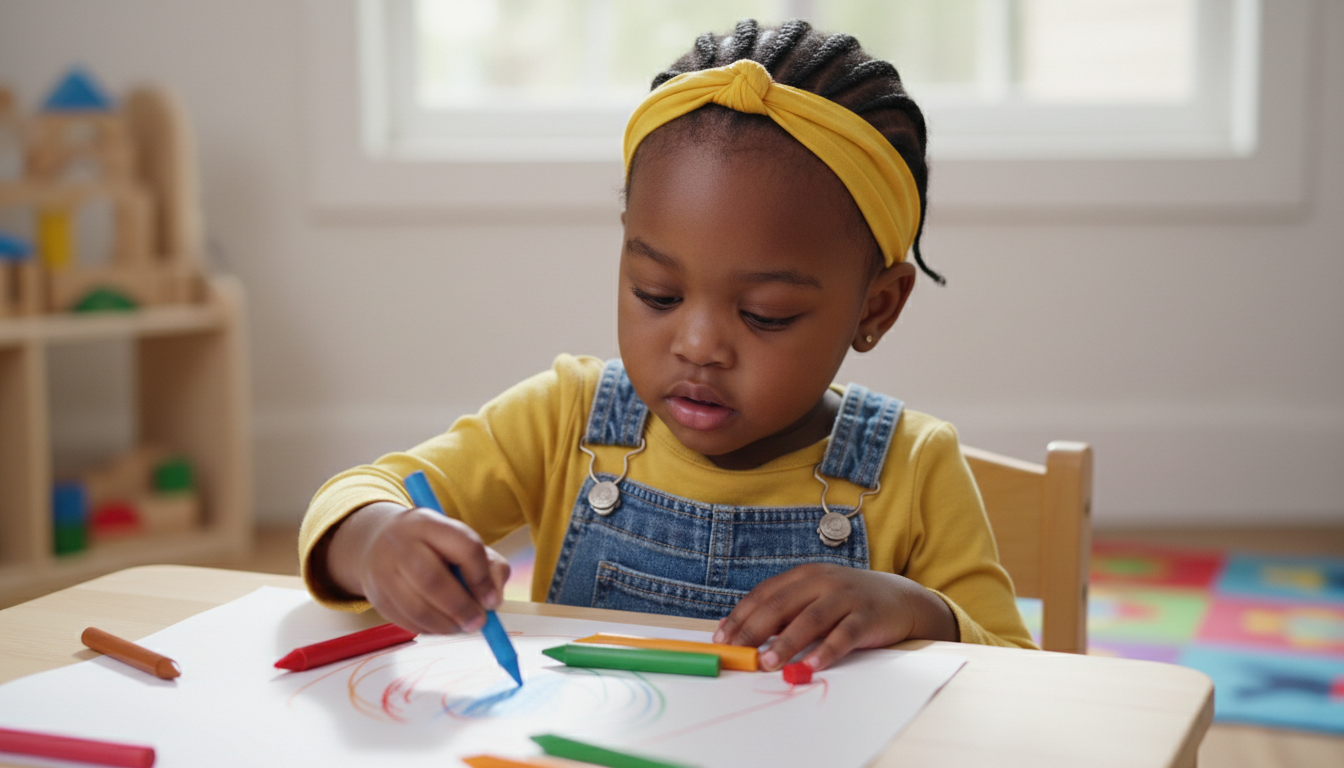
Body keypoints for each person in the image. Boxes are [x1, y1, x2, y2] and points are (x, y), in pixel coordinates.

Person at [299, 19, 1036, 674]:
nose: (698, 346)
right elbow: (356, 495)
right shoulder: (565, 420)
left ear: (876, 306)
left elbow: (1019, 675)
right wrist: (376, 540)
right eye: (657, 294)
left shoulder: (914, 469)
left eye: (766, 315)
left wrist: (914, 610)